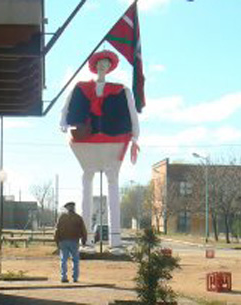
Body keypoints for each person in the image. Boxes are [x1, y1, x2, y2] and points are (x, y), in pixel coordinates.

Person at [60, 50, 140, 248]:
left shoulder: (122, 89)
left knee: (112, 181)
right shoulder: (81, 87)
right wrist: (63, 122)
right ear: (94, 66)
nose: (102, 66)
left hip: (115, 139)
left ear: (110, 66)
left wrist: (136, 135)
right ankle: (87, 240)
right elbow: (66, 106)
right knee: (87, 178)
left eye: (106, 63)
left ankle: (115, 241)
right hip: (86, 141)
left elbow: (132, 111)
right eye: (99, 62)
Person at [54, 201, 87, 283]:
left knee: (63, 260)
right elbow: (84, 230)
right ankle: (75, 278)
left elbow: (56, 230)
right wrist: (84, 240)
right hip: (74, 241)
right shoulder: (78, 218)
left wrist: (57, 241)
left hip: (63, 241)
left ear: (67, 208)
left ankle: (63, 277)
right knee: (75, 260)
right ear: (73, 208)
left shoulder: (62, 217)